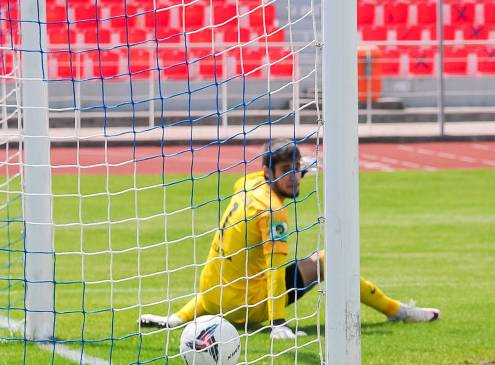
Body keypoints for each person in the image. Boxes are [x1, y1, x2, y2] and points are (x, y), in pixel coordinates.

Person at [139, 144, 441, 338]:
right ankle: (399, 312)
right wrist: (278, 323)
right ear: (269, 172)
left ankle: (176, 319)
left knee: (227, 265)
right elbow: (274, 269)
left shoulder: (245, 186)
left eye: (298, 170)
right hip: (249, 309)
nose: (295, 178)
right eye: (287, 172)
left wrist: (298, 165)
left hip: (211, 299)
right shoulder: (274, 213)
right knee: (327, 260)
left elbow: (277, 174)